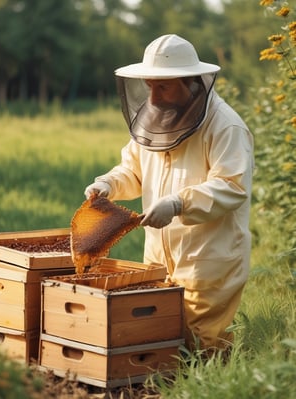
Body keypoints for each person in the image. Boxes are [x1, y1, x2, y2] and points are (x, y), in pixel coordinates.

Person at [84, 34, 254, 354]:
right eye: (149, 86)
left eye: (163, 86)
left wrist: (178, 203)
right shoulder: (153, 121)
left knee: (204, 348)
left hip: (207, 260)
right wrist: (107, 183)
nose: (154, 96)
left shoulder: (225, 126)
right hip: (158, 258)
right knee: (161, 342)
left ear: (191, 83)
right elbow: (133, 171)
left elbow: (233, 185)